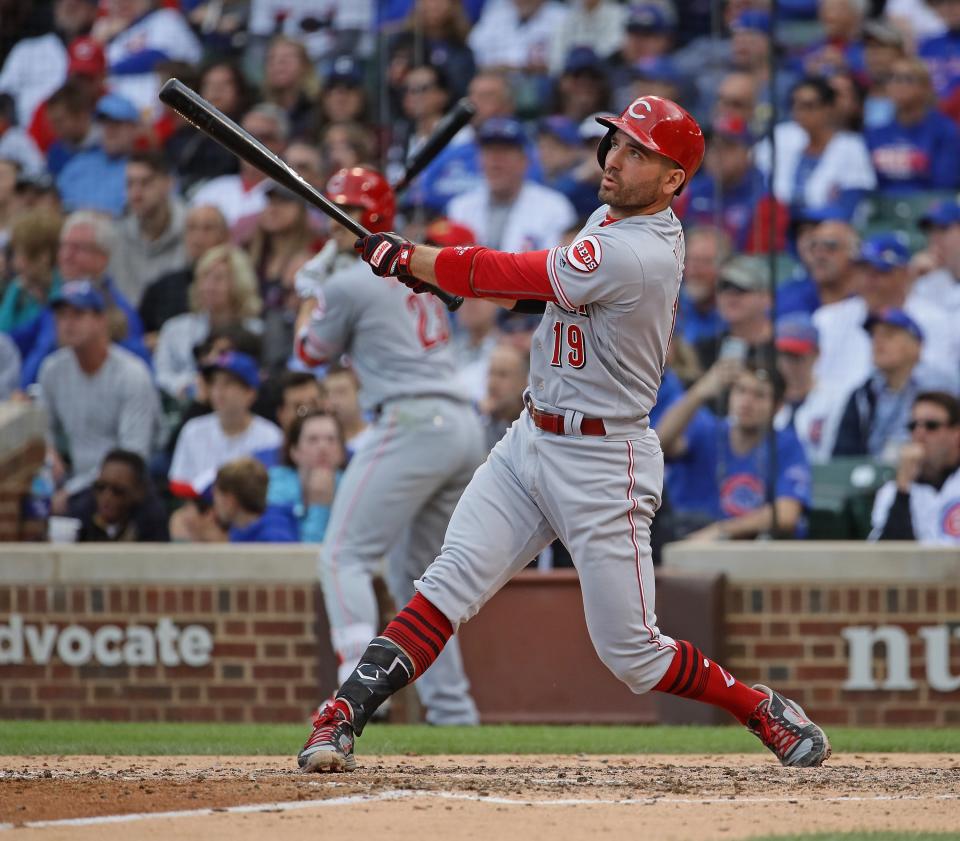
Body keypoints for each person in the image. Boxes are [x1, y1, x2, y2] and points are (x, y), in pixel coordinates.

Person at [300, 96, 830, 773]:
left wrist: (413, 258)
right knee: (446, 582)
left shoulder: (638, 250)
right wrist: (429, 273)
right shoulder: (610, 217)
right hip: (531, 440)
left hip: (606, 458)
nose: (615, 158)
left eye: (638, 152)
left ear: (674, 180)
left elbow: (521, 274)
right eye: (616, 143)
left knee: (633, 654)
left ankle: (760, 708)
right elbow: (535, 290)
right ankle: (341, 714)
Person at [293, 165, 484, 729]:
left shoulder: (346, 282)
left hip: (410, 422)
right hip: (459, 426)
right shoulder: (410, 263)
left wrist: (314, 290)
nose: (330, 229)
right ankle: (453, 714)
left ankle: (354, 688)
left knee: (342, 556)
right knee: (424, 584)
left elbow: (308, 352)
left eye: (336, 219)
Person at [36, 281, 160, 514]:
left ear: (102, 320)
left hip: (125, 487)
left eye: (78, 315)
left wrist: (73, 491)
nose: (68, 324)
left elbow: (133, 457)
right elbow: (42, 430)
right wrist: (49, 453)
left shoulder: (132, 374)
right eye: (62, 316)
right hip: (73, 481)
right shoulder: (52, 369)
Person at [658, 360, 811, 541]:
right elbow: (658, 445)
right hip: (683, 539)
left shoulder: (787, 445)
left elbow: (786, 514)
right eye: (740, 391)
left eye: (759, 395)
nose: (746, 402)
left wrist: (721, 530)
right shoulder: (707, 430)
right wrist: (698, 394)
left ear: (777, 407)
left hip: (742, 549)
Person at [832, 309, 951, 460]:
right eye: (874, 336)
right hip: (872, 478)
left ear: (917, 346)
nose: (878, 342)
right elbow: (843, 455)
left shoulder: (941, 388)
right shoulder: (863, 394)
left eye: (889, 335)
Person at [754, 76, 875, 219]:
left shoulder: (852, 146)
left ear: (828, 108)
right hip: (779, 225)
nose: (799, 113)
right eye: (795, 105)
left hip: (827, 227)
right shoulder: (782, 135)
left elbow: (848, 206)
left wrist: (799, 215)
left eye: (808, 106)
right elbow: (757, 182)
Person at [447, 118, 575, 252]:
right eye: (489, 151)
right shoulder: (459, 207)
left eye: (504, 152)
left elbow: (557, 266)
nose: (495, 161)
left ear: (524, 160)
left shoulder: (555, 207)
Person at [153, 245, 262, 401]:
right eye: (204, 277)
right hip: (183, 406)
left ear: (239, 283)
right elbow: (160, 375)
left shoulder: (256, 330)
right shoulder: (174, 328)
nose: (208, 286)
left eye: (218, 278)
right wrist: (188, 386)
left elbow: (258, 377)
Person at [168, 351, 282, 499]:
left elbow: (270, 492)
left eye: (228, 384)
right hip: (202, 513)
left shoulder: (271, 436)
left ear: (250, 393)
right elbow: (178, 483)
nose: (218, 392)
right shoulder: (193, 429)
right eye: (214, 383)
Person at [870, 391, 960, 543]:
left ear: (956, 434)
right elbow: (891, 558)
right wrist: (903, 491)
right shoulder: (893, 492)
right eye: (913, 426)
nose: (920, 433)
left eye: (931, 426)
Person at [865, 57, 960, 194]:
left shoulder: (944, 131)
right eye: (892, 78)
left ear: (925, 88)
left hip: (928, 210)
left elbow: (944, 186)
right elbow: (868, 185)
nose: (897, 85)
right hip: (882, 210)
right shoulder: (874, 133)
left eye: (906, 79)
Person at [137, 204, 231, 342]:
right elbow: (142, 337)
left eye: (208, 229)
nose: (198, 238)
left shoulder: (239, 283)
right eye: (191, 228)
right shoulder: (161, 288)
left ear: (225, 236)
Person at [110, 150, 188, 307]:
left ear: (168, 183)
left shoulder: (191, 230)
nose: (136, 194)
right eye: (130, 184)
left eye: (146, 183)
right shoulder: (117, 235)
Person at [774, 313, 845, 465]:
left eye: (796, 356)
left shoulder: (836, 399)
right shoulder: (764, 398)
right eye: (783, 355)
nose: (787, 365)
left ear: (816, 353)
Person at [56, 92, 141, 216]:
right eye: (104, 123)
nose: (109, 130)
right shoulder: (77, 166)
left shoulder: (146, 167)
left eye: (117, 124)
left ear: (134, 128)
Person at [267, 410, 346, 542]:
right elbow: (287, 552)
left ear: (341, 452)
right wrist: (320, 507)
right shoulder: (273, 485)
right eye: (313, 440)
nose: (323, 447)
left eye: (331, 439)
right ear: (294, 451)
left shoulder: (353, 486)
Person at [74, 449, 169, 542]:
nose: (107, 496)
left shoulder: (152, 519)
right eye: (100, 487)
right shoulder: (80, 514)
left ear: (139, 492)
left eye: (118, 490)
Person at [0, 210, 62, 334]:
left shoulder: (65, 289)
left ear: (44, 256)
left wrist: (43, 302)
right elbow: (3, 331)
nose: (14, 263)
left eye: (20, 254)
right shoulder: (18, 288)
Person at [212, 457, 298, 543]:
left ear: (230, 500)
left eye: (216, 497)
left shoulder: (275, 539)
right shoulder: (238, 531)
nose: (214, 506)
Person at [676, 226, 729, 345]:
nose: (696, 270)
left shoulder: (732, 314)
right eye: (691, 260)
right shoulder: (670, 307)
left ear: (724, 267)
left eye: (706, 262)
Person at [478, 341, 529, 452]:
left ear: (523, 382)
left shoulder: (533, 427)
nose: (493, 384)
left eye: (503, 375)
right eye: (491, 373)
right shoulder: (478, 421)